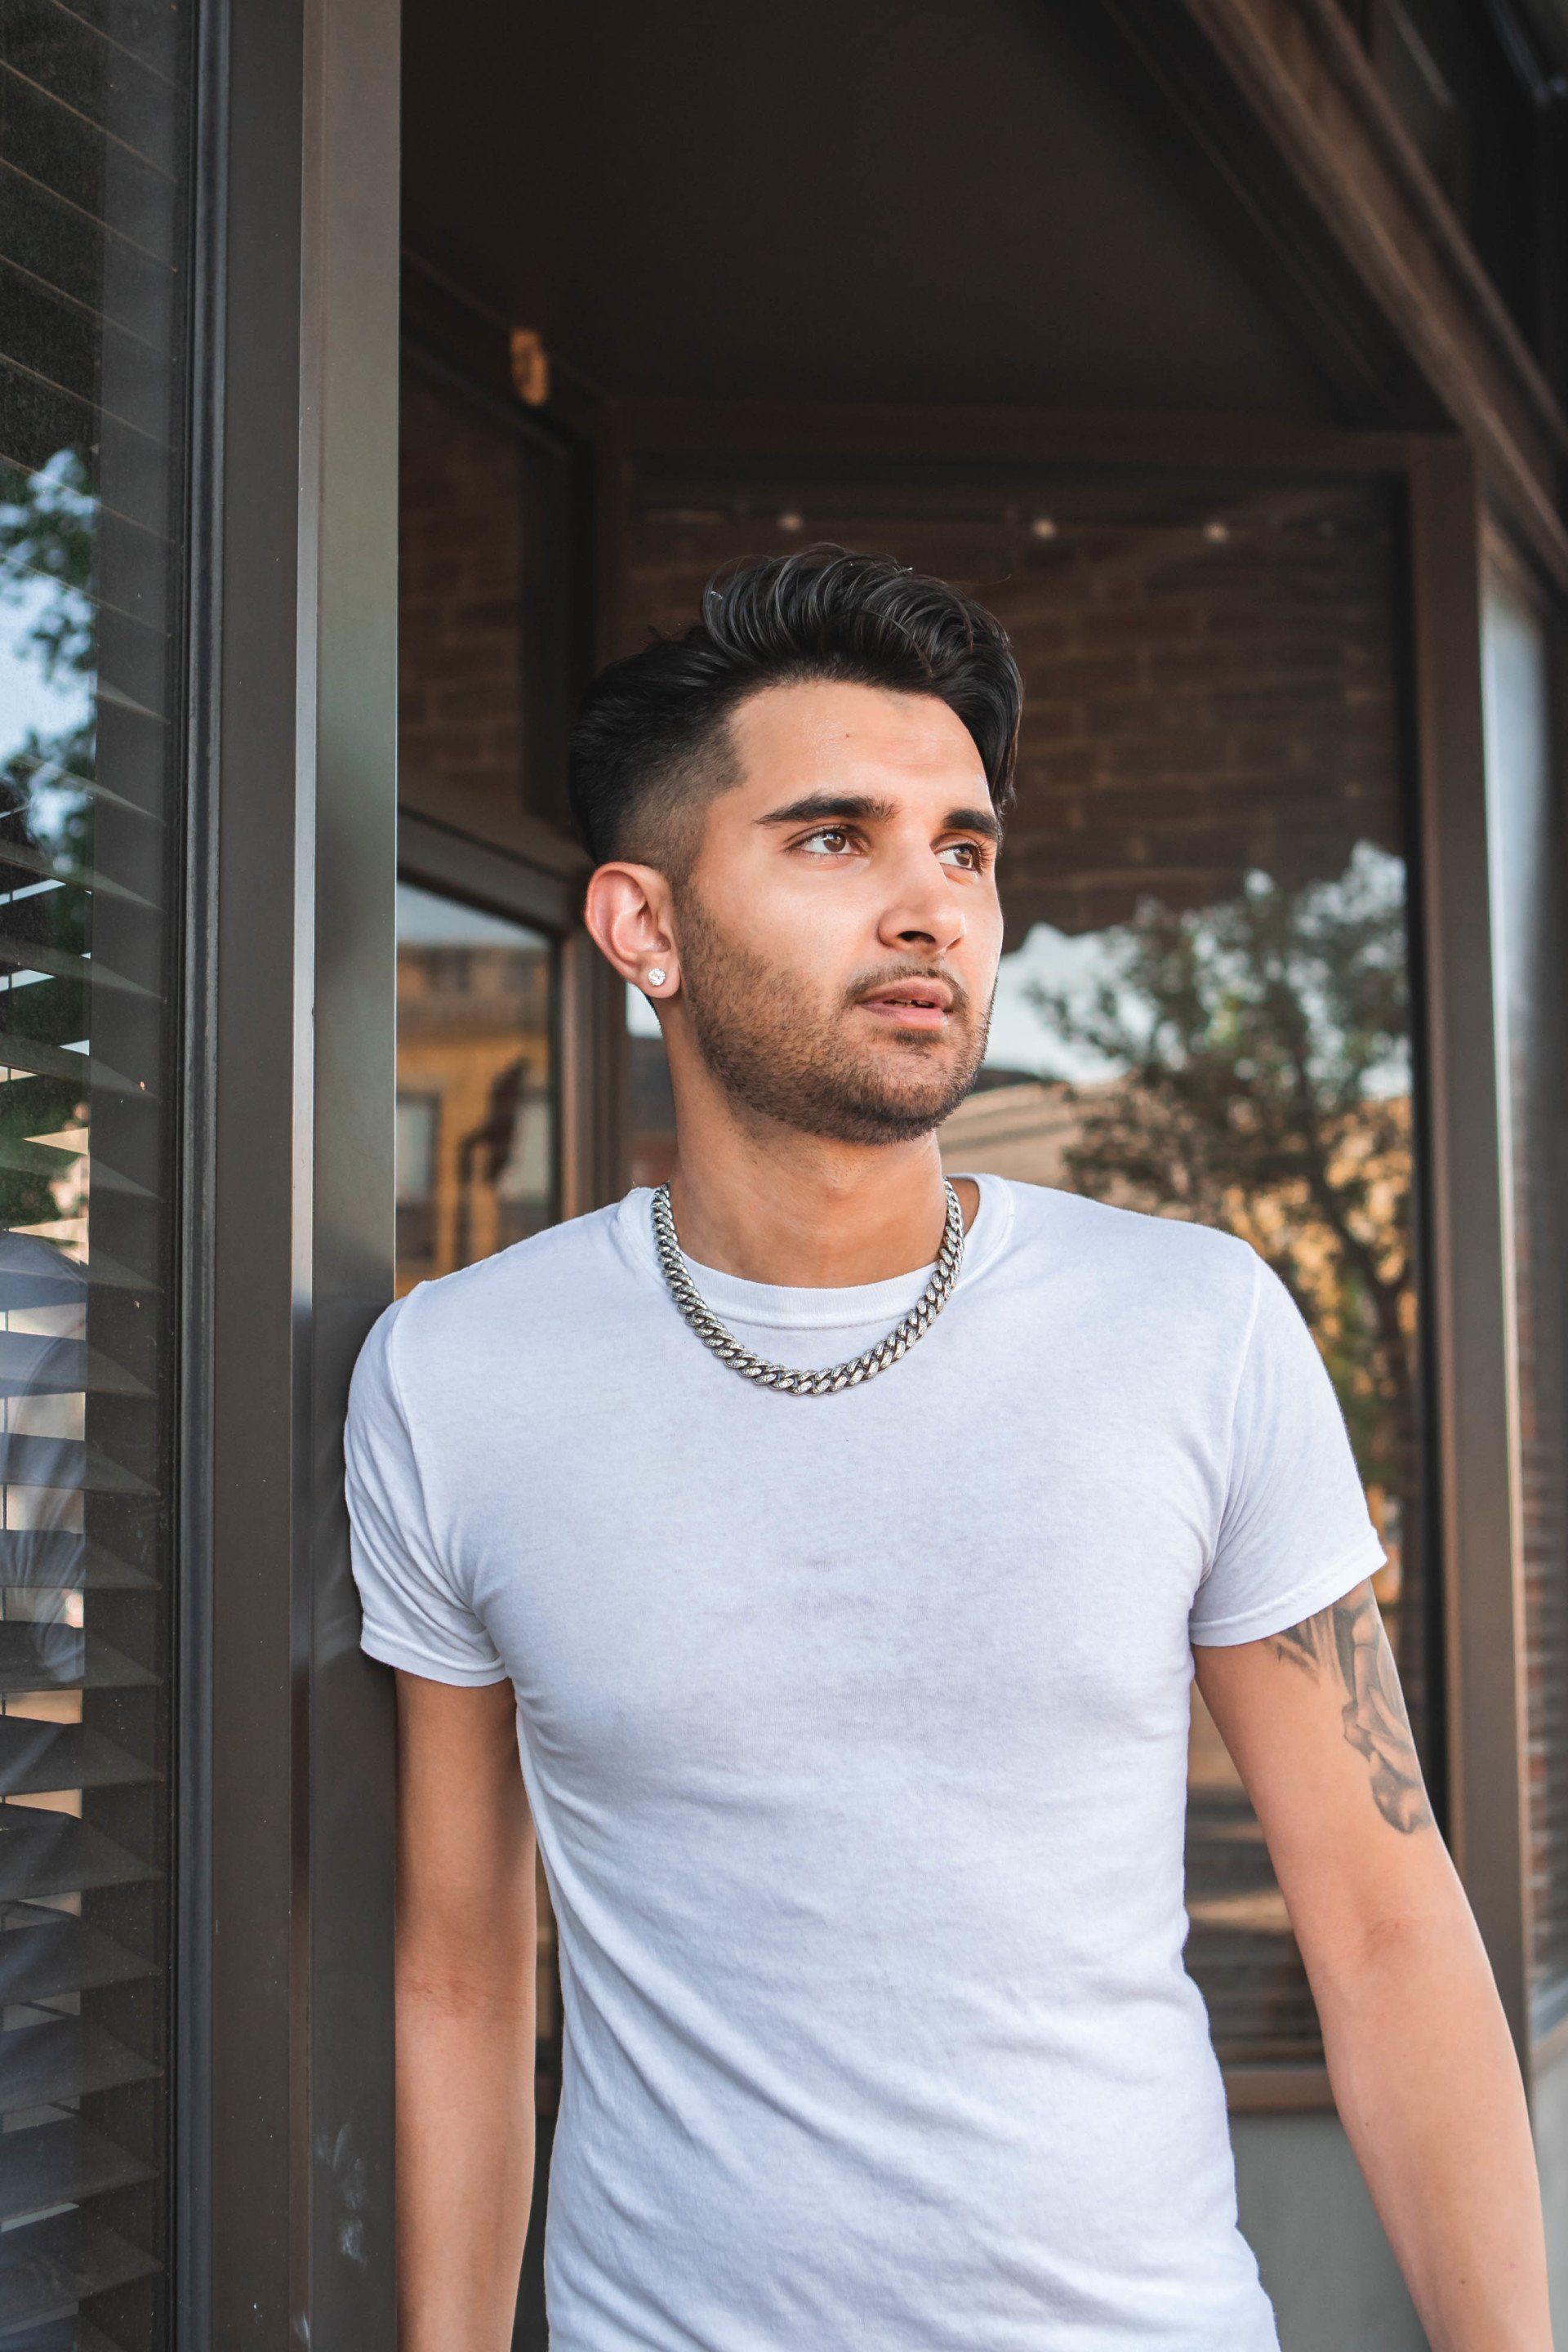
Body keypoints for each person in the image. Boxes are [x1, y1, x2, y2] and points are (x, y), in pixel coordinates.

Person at [345, 548, 1550, 2352]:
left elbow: (1381, 1925)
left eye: (964, 848)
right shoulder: (455, 1375)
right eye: (837, 838)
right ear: (641, 928)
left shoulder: (1191, 1327)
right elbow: (457, 1959)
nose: (933, 907)